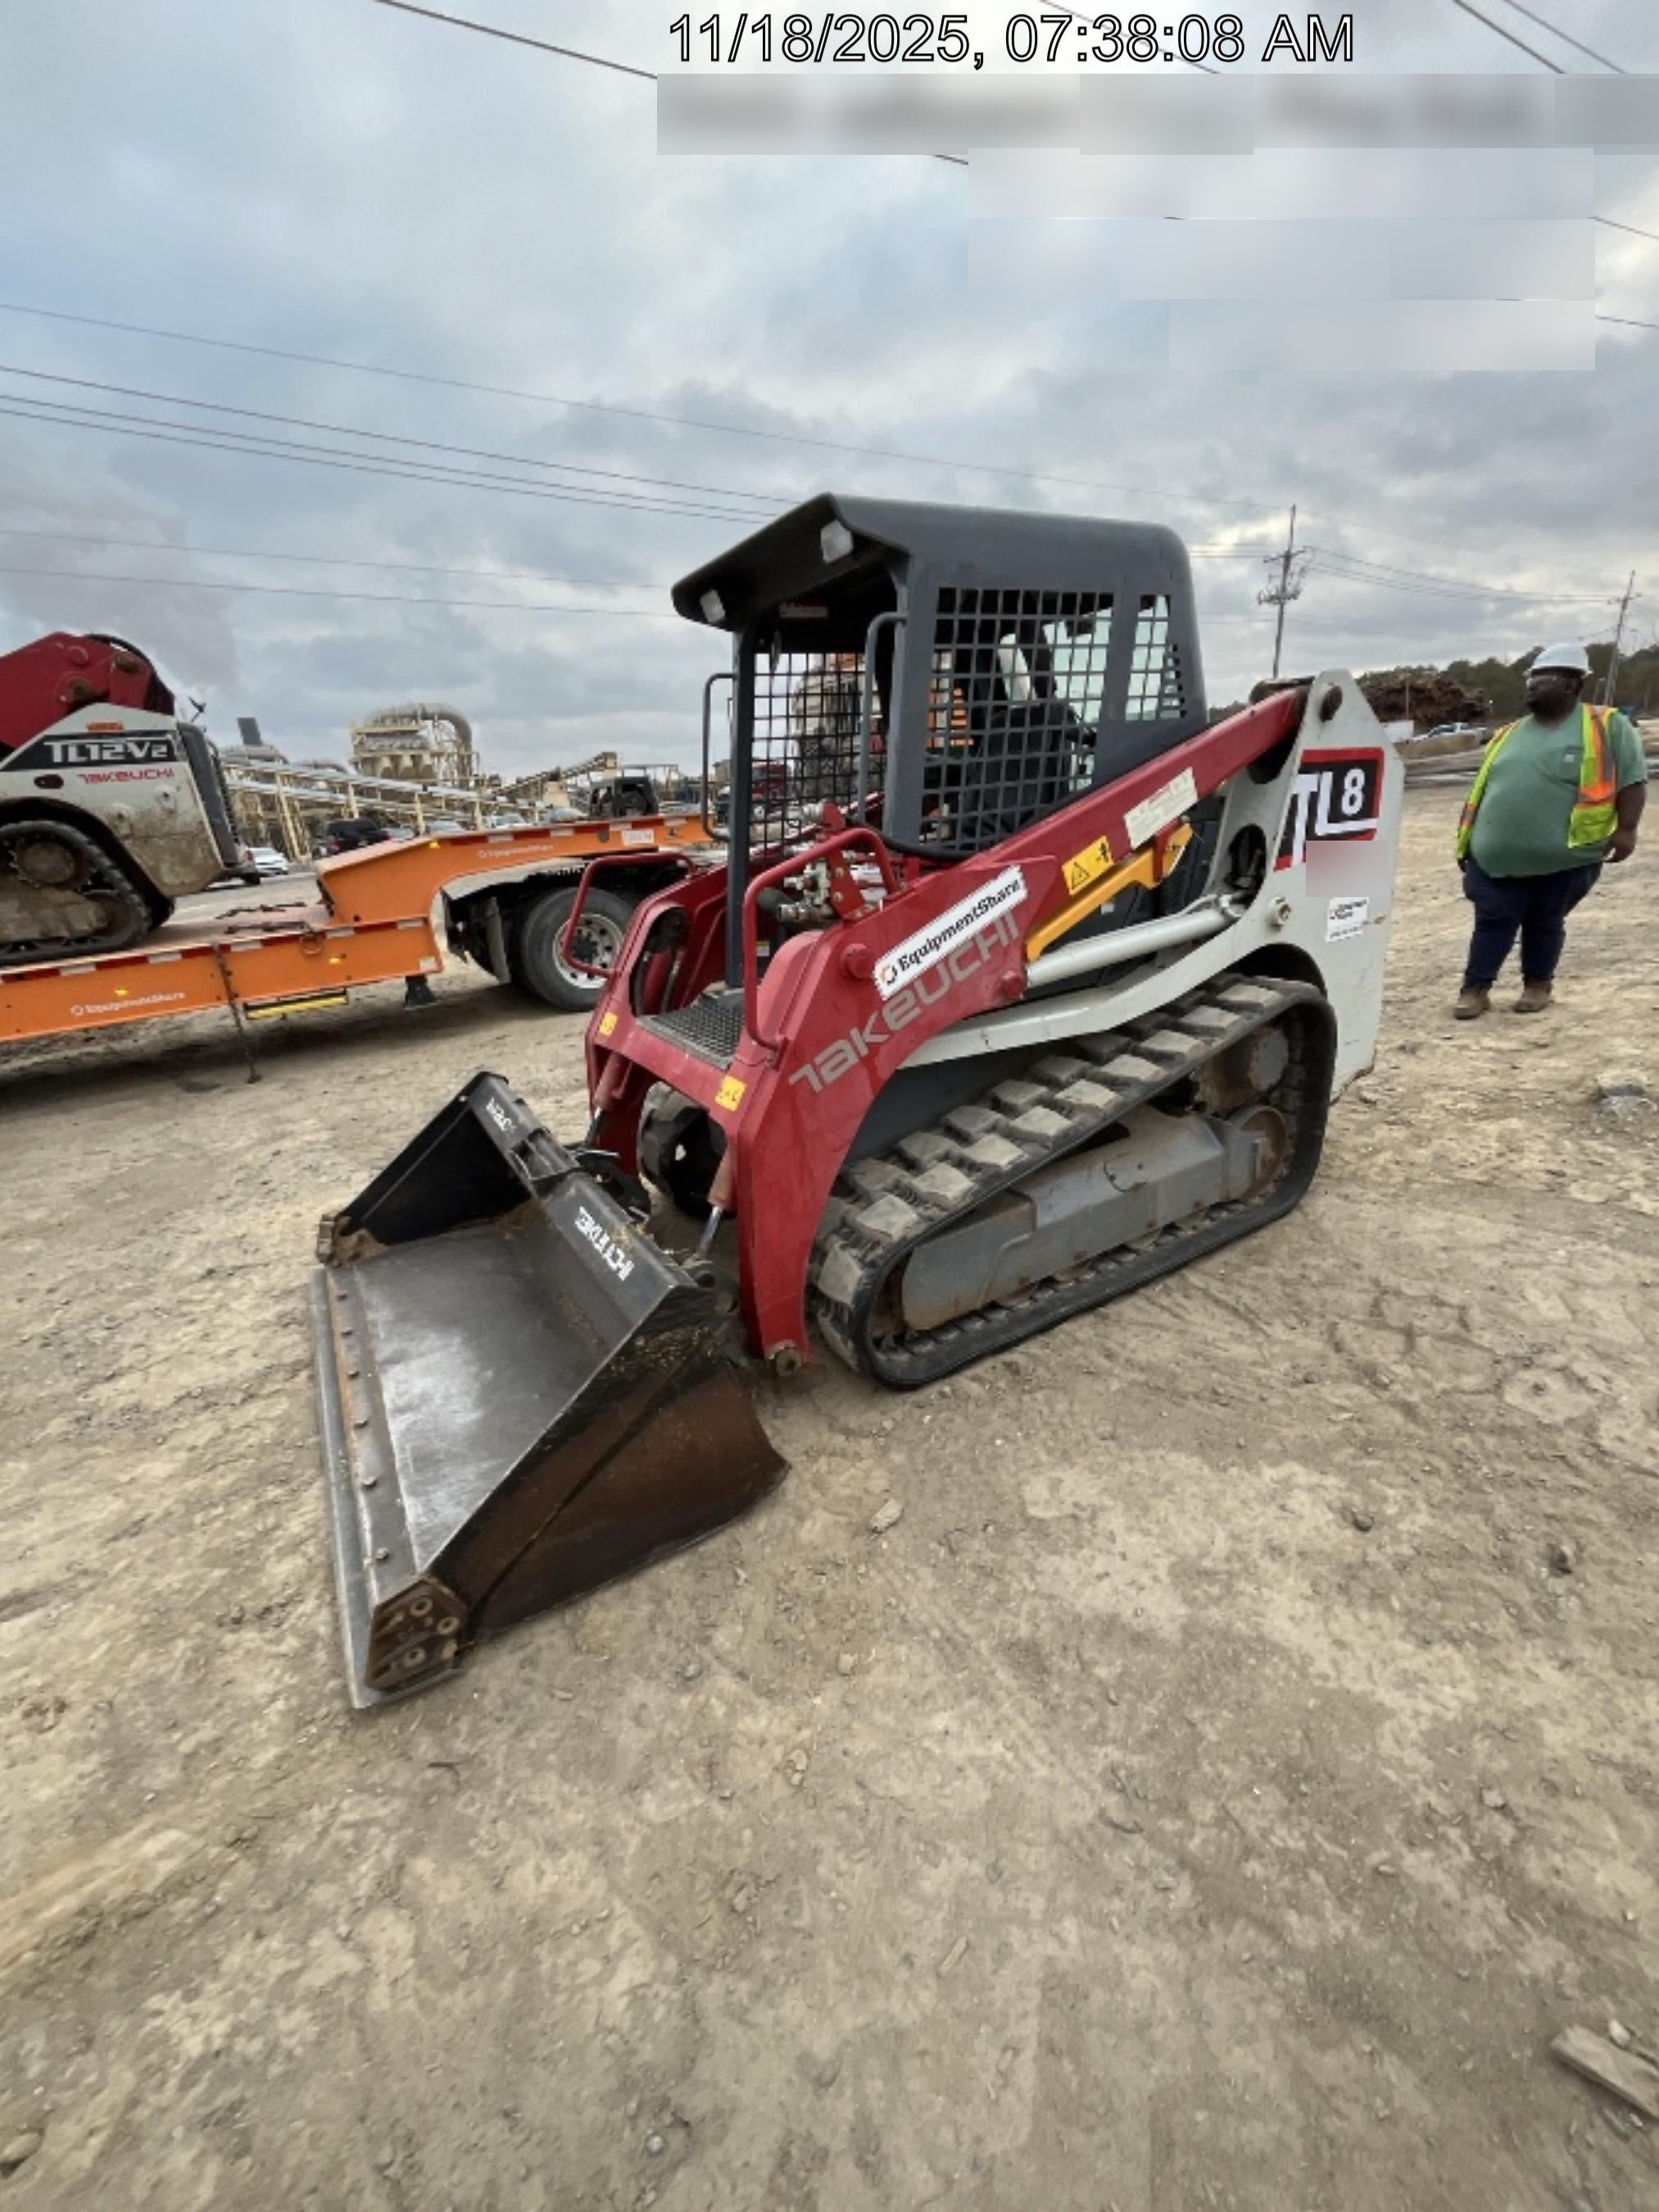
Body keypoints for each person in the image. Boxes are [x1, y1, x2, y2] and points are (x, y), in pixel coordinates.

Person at [1453, 642, 1646, 1018]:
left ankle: (1537, 986)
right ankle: (1475, 989)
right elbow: (1482, 789)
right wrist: (1468, 844)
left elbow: (1633, 782)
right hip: (1493, 856)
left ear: (1572, 685)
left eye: (1544, 679)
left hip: (1565, 857)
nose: (1532, 686)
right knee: (1493, 920)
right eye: (1531, 679)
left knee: (1544, 921)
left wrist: (1627, 829)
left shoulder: (1606, 725)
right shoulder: (1508, 733)